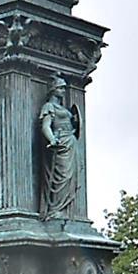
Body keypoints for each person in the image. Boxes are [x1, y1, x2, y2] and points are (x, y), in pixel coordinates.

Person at [39, 77, 81, 218]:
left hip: (70, 142)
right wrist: (52, 139)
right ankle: (55, 209)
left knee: (70, 177)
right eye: (60, 88)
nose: (63, 90)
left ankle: (65, 209)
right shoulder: (49, 107)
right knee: (62, 176)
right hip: (60, 143)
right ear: (53, 89)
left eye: (64, 88)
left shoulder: (63, 108)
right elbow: (46, 126)